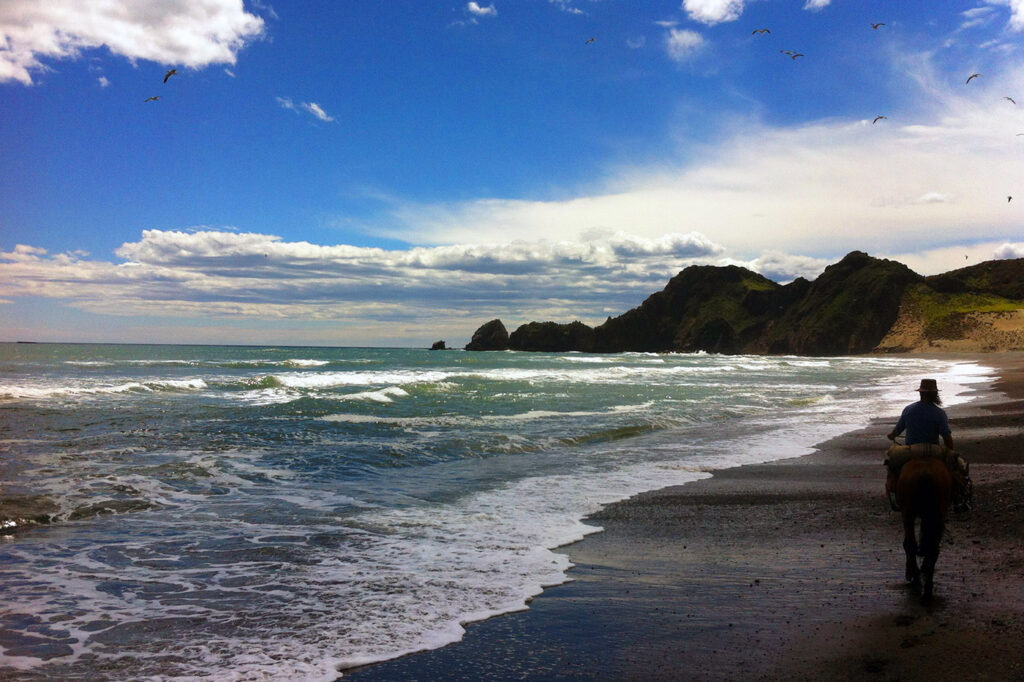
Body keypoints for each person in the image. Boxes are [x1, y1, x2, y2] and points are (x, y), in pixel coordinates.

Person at [885, 378, 970, 511]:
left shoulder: (908, 409)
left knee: (892, 466)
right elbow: (946, 437)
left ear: (920, 393)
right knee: (958, 468)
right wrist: (950, 453)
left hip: (910, 450)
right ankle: (958, 499)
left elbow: (898, 430)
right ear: (935, 394)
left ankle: (895, 495)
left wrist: (892, 436)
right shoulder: (939, 413)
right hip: (933, 450)